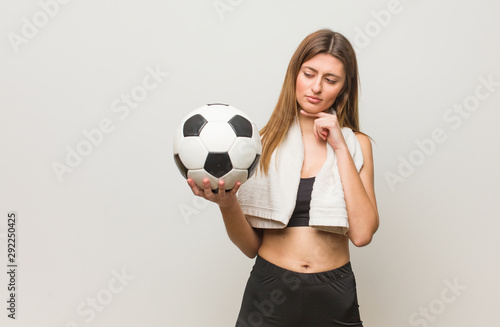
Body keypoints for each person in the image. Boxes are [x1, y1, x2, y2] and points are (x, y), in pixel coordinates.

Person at [187, 29, 379, 327]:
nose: (316, 87)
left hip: (333, 292)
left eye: (330, 80)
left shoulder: (357, 144)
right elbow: (251, 246)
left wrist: (340, 146)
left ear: (343, 88)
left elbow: (363, 234)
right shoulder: (259, 144)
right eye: (309, 73)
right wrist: (227, 205)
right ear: (294, 74)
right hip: (269, 289)